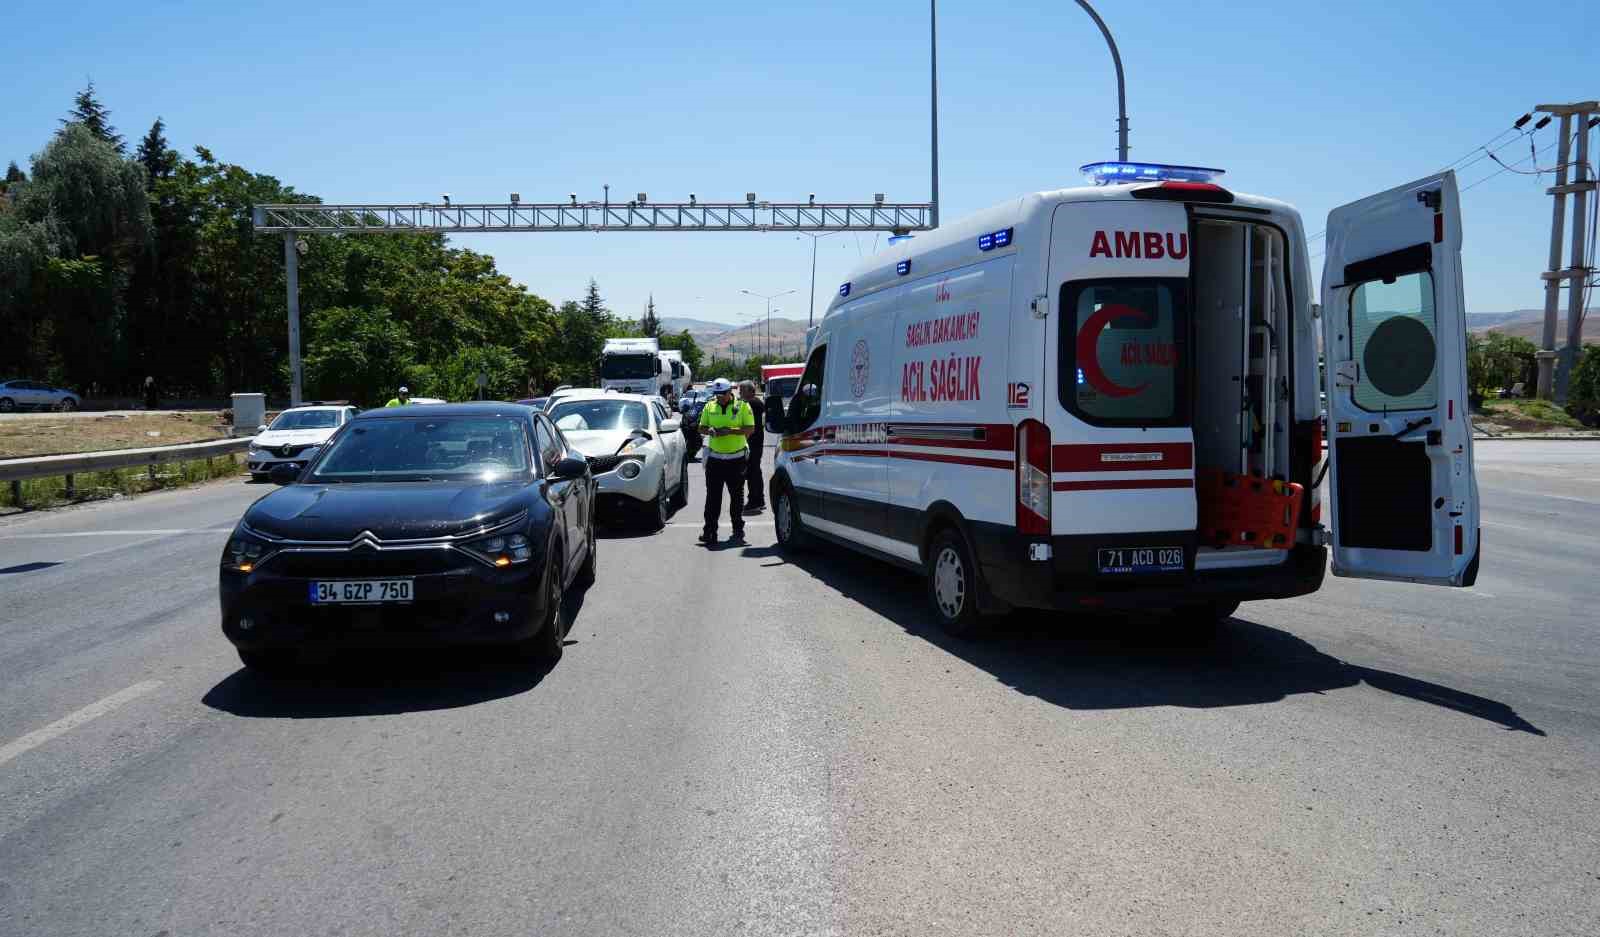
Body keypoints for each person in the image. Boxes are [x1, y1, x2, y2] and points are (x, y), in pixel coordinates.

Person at [697, 377, 754, 545]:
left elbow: (750, 429)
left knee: (736, 497)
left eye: (723, 394)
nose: (720, 397)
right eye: (717, 394)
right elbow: (701, 427)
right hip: (715, 458)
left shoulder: (742, 406)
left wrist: (730, 431)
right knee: (713, 498)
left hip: (736, 459)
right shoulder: (710, 406)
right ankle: (710, 532)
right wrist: (711, 431)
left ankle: (738, 529)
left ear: (731, 391)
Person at [738, 380, 767, 514]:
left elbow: (750, 426)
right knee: (755, 472)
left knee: (751, 472)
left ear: (750, 391)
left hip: (752, 443)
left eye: (742, 390)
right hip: (756, 443)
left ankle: (754, 501)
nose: (739, 393)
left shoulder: (752, 404)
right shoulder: (756, 402)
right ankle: (759, 500)